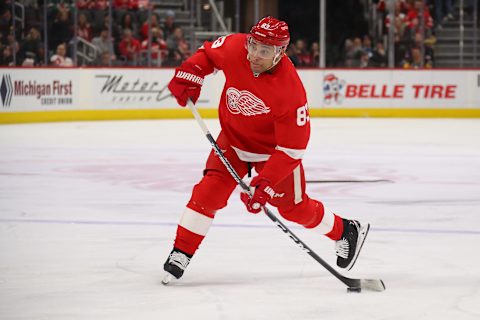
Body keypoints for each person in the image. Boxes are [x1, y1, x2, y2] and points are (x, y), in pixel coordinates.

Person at [163, 16, 370, 283]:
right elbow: (208, 55)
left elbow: (292, 150)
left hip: (273, 153)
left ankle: (345, 230)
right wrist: (191, 73)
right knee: (207, 193)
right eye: (253, 46)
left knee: (294, 209)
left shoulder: (290, 91)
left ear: (280, 52)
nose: (255, 55)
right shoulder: (236, 47)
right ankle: (181, 251)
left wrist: (266, 184)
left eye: (265, 50)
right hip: (234, 142)